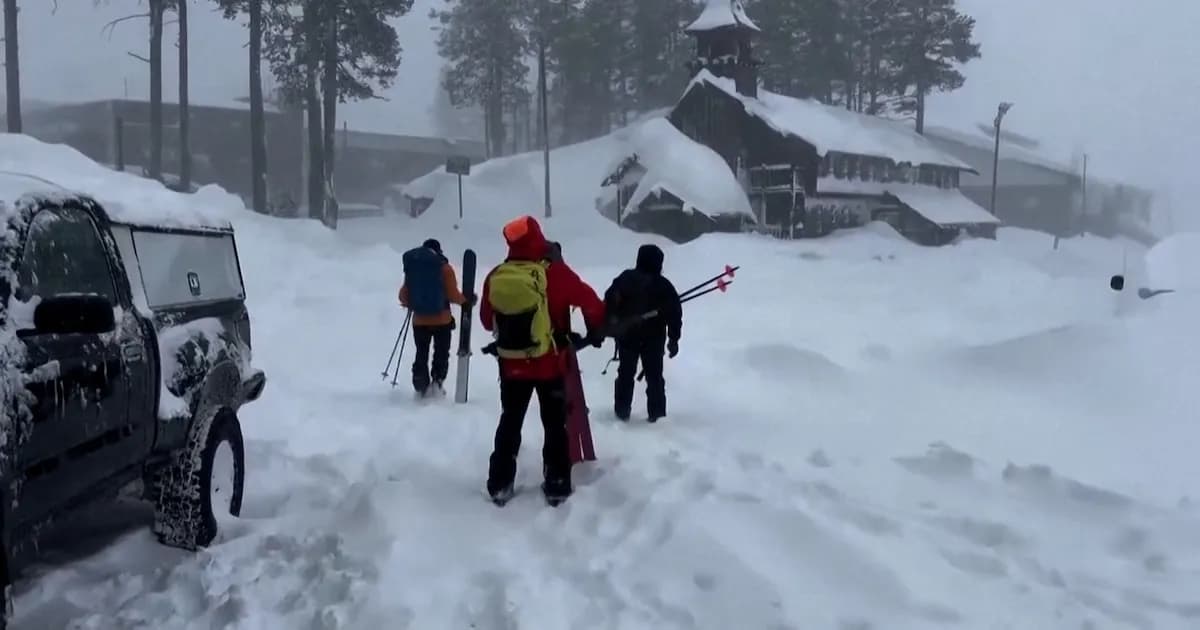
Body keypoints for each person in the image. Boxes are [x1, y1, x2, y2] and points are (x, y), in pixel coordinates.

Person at [479, 216, 605, 505]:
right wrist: (595, 326)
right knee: (554, 424)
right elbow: (591, 303)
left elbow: (487, 321)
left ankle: (500, 483)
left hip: (511, 366)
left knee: (510, 421)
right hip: (550, 364)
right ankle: (557, 483)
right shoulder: (556, 274)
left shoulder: (497, 274)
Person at [604, 244, 682, 423]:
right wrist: (674, 339)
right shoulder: (663, 285)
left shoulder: (625, 279)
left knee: (625, 374)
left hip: (627, 337)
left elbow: (610, 300)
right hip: (654, 339)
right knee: (654, 378)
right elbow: (674, 313)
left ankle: (621, 412)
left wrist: (613, 322)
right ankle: (657, 415)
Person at [399, 238, 472, 397]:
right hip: (442, 320)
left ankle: (420, 382)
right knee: (441, 352)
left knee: (421, 351)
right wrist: (466, 301)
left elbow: (403, 295)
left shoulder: (414, 269)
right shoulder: (444, 268)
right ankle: (437, 383)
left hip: (419, 321)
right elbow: (453, 295)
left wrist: (412, 303)